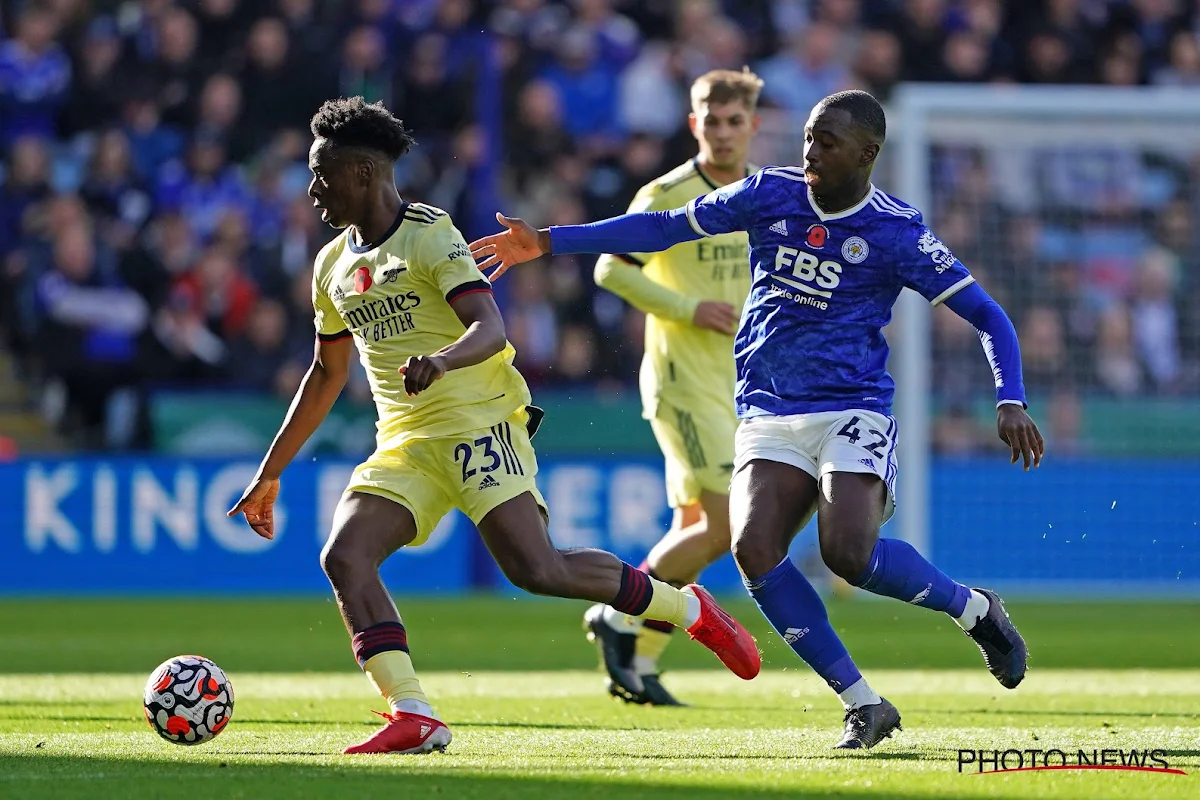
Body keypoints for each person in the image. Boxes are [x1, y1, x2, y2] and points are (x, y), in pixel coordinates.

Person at [469, 90, 1044, 751]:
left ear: (867, 153)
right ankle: (863, 702)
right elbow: (664, 227)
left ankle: (975, 609)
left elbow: (988, 315)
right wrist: (546, 241)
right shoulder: (769, 193)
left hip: (851, 406)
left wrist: (1010, 397)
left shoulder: (896, 231)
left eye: (827, 142)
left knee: (848, 555)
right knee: (753, 550)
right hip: (769, 408)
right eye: (807, 136)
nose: (810, 151)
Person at [227, 97, 760, 756]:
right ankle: (413, 712)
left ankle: (688, 610)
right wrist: (269, 473)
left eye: (322, 175)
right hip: (405, 443)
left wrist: (442, 360)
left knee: (538, 569)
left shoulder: (430, 234)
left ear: (363, 173)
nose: (311, 191)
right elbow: (325, 374)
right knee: (344, 556)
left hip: (480, 423)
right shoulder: (330, 266)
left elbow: (490, 327)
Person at [585, 68, 761, 707]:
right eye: (710, 121)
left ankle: (640, 662)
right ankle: (619, 617)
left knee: (695, 527)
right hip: (683, 381)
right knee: (724, 528)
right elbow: (609, 268)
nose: (721, 132)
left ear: (752, 126)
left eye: (733, 121)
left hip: (742, 385)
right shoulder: (666, 193)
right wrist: (688, 308)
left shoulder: (766, 195)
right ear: (694, 124)